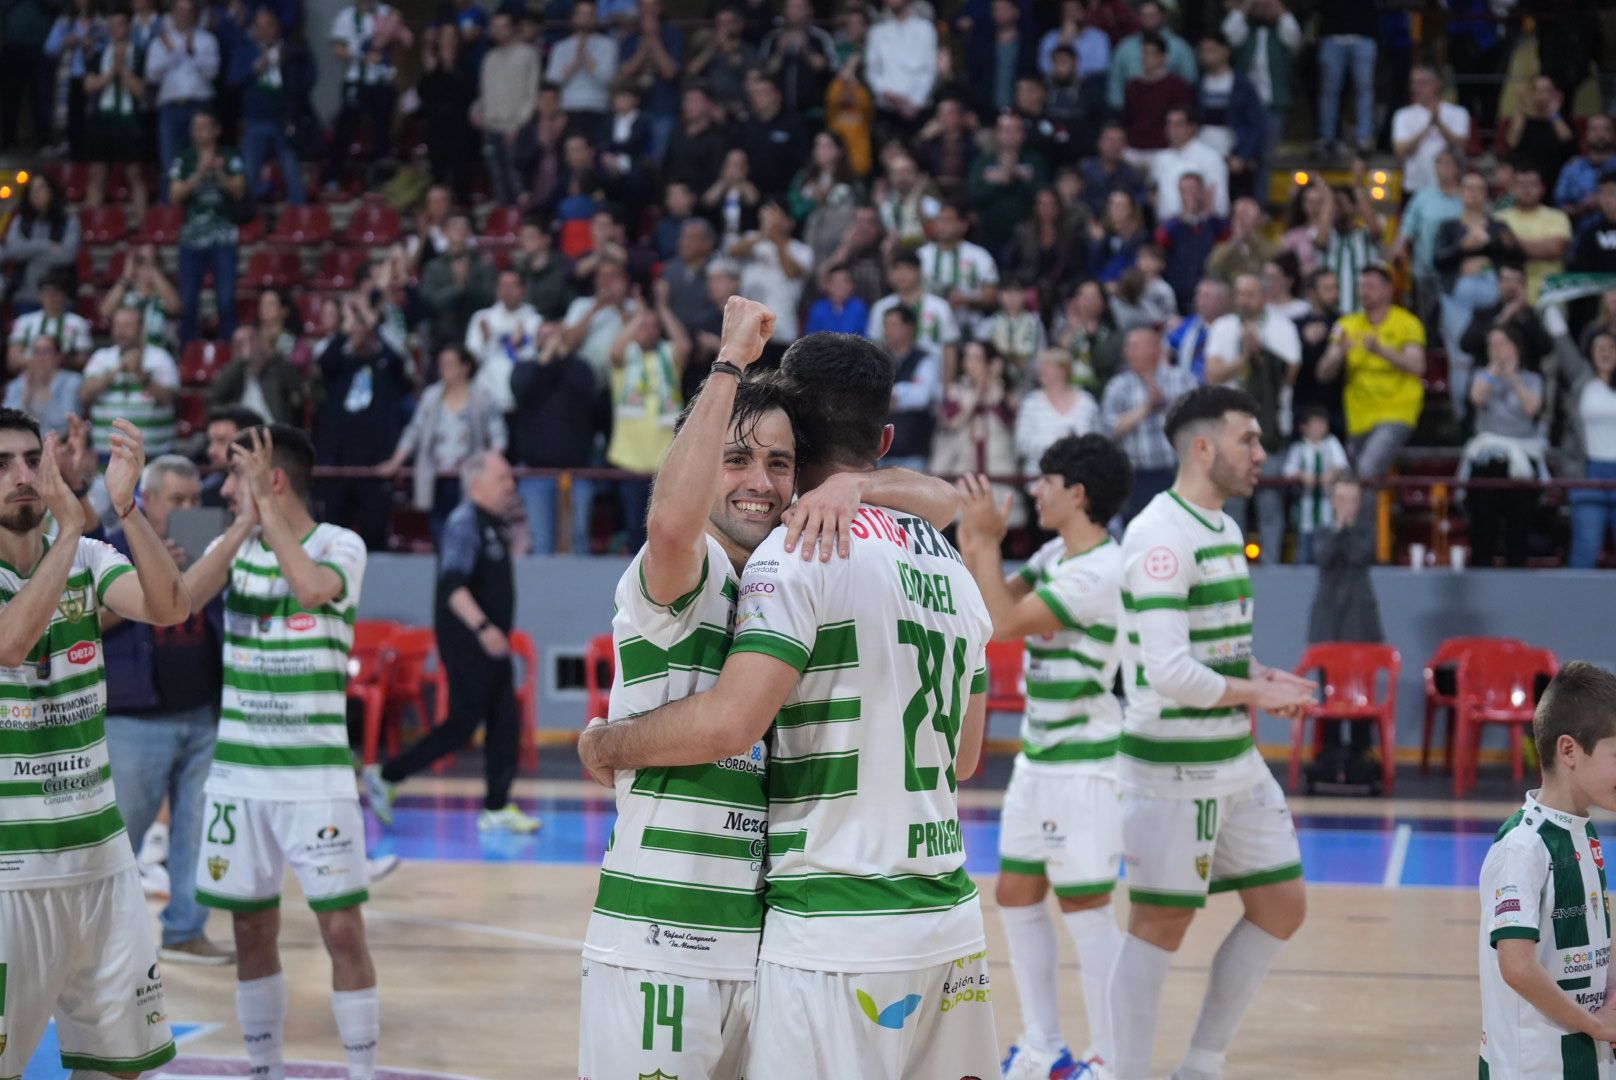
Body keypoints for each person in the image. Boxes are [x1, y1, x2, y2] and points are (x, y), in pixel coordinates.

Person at [577, 327, 999, 1080]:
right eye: (733, 459)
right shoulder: (952, 567)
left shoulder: (796, 555)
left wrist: (606, 745)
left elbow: (735, 721)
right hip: (923, 919)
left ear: (801, 455)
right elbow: (967, 758)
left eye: (777, 462)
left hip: (820, 927)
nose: (761, 482)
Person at [1109, 384, 1314, 1080]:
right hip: (1171, 767)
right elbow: (1167, 670)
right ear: (1203, 447)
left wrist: (1265, 676)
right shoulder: (1158, 534)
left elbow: (1213, 653)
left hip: (1232, 755)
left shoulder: (1224, 528)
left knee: (1282, 905)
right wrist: (1257, 692)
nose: (1260, 453)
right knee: (1161, 925)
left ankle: (1201, 1064)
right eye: (1247, 440)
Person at [0, 406, 193, 1079]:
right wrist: (73, 529)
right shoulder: (69, 548)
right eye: (3, 465)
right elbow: (11, 642)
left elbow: (170, 607)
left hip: (102, 860)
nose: (23, 476)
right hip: (10, 872)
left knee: (119, 1069)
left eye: (31, 458)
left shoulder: (84, 554)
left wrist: (126, 507)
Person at [183, 424, 379, 1080]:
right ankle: (262, 1069)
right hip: (240, 778)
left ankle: (361, 1071)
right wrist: (245, 527)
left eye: (236, 474)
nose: (224, 487)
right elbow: (182, 599)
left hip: (315, 781)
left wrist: (266, 517)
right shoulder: (231, 544)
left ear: (273, 479)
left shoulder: (339, 544)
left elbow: (312, 590)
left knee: (343, 932)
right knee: (249, 930)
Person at [957, 433, 1132, 1080]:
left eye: (1045, 480)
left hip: (1086, 764)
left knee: (1086, 905)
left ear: (1076, 492)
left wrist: (989, 543)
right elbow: (986, 601)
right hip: (1040, 757)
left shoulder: (1102, 570)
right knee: (1019, 893)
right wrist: (978, 544)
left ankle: (1115, 1061)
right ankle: (1042, 1046)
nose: (1035, 489)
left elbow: (1002, 624)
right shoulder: (1060, 552)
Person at [101, 453, 234, 965]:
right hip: (135, 717)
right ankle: (102, 944)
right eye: (176, 499)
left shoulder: (209, 552)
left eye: (196, 499)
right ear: (147, 500)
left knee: (197, 834)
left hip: (202, 712)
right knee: (120, 840)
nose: (188, 508)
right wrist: (153, 575)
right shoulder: (111, 550)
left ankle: (185, 930)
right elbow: (88, 621)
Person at [365, 450, 537, 832]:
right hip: (469, 642)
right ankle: (387, 775)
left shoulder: (495, 523)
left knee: (504, 722)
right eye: (503, 479)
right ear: (477, 483)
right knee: (462, 724)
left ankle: (496, 807)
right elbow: (452, 586)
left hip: (492, 643)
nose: (511, 485)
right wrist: (482, 628)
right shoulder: (464, 523)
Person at [1478, 661, 1616, 1079]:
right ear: (1569, 750)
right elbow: (1517, 967)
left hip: (1589, 1058)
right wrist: (1596, 1025)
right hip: (1536, 1067)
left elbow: (1599, 937)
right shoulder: (1524, 846)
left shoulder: (1583, 831)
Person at [1205, 272, 1300, 559]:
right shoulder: (1223, 327)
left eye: (1251, 293)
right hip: (1229, 431)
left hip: (1269, 430)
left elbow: (1290, 375)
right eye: (1240, 293)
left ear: (1265, 296)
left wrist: (1261, 351)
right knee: (1232, 503)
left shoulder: (1282, 327)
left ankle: (1271, 568)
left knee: (1270, 501)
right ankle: (1230, 565)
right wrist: (1245, 358)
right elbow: (1212, 374)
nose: (1244, 300)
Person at [1301, 475, 1383, 783]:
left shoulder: (1365, 532)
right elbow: (1322, 557)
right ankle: (1329, 752)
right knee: (1329, 694)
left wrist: (1347, 530)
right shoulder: (1323, 532)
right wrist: (1339, 529)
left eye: (1353, 500)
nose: (1348, 506)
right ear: (1333, 502)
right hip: (1328, 628)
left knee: (1361, 694)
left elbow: (1360, 555)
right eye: (1343, 499)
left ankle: (1362, 751)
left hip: (1360, 626)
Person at [315, 294, 412, 549]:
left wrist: (374, 322)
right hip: (339, 466)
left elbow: (400, 359)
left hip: (376, 467)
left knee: (375, 535)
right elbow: (324, 362)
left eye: (362, 327)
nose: (359, 331)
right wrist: (345, 329)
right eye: (354, 327)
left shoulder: (385, 366)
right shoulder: (341, 365)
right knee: (334, 539)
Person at [1316, 265, 1426, 480]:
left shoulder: (1407, 323)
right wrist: (1339, 355)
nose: (1364, 292)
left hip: (1396, 411)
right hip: (1357, 416)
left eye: (1371, 286)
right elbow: (1323, 373)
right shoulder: (1346, 325)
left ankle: (1364, 516)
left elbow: (1418, 366)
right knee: (1350, 478)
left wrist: (1381, 350)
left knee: (1367, 470)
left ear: (1387, 290)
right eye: (1362, 286)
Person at [1463, 326, 1545, 568]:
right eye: (1491, 345)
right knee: (1483, 526)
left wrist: (1512, 377)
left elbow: (1531, 408)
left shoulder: (1533, 378)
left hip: (1521, 462)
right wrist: (1493, 371)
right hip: (1489, 459)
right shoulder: (1481, 374)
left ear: (1515, 347)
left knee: (1518, 529)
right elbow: (1477, 398)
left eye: (1502, 344)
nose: (1496, 350)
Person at [1102, 326, 1199, 518]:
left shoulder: (1181, 379)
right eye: (1128, 347)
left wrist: (1166, 406)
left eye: (1135, 346)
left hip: (1177, 473)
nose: (1128, 352)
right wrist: (1146, 408)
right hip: (1135, 477)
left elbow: (1198, 422)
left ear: (1154, 349)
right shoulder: (1118, 385)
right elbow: (1109, 430)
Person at [169, 109, 245, 344]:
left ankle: (229, 348)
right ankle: (189, 351)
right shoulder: (185, 158)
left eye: (204, 126)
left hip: (224, 239)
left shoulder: (230, 156)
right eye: (195, 127)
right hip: (192, 239)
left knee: (225, 300)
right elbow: (175, 195)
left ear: (216, 130)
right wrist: (199, 173)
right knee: (189, 301)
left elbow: (239, 190)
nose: (199, 132)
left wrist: (218, 173)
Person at [229, 7, 311, 206]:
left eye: (269, 26)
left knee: (291, 166)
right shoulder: (245, 50)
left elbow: (307, 80)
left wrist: (285, 65)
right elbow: (232, 80)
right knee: (250, 167)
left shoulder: (292, 50)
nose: (264, 31)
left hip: (284, 119)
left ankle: (299, 209)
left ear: (278, 27)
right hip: (255, 118)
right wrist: (254, 68)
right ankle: (246, 212)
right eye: (260, 26)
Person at [326, 0, 411, 189]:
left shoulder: (388, 12)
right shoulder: (346, 16)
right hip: (356, 81)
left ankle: (381, 181)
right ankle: (334, 178)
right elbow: (338, 49)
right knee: (345, 131)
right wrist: (363, 56)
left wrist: (390, 42)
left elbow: (403, 43)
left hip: (383, 83)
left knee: (383, 135)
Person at [81, 307, 181, 460]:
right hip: (106, 454)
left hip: (153, 454)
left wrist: (140, 374)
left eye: (128, 325)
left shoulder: (160, 357)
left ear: (141, 328)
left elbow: (169, 399)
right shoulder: (101, 357)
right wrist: (116, 370)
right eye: (118, 325)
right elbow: (85, 395)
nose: (121, 331)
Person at [144, 0, 219, 199]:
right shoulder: (161, 41)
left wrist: (189, 52)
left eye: (189, 11)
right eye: (180, 10)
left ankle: (202, 205)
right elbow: (152, 75)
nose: (184, 15)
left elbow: (212, 72)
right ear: (173, 14)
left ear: (195, 14)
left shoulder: (207, 40)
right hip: (170, 108)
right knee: (171, 162)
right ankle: (169, 214)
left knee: (200, 159)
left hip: (200, 107)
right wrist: (173, 54)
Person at [84, 4, 151, 219]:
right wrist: (112, 71)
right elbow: (89, 85)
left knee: (134, 173)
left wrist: (122, 69)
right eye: (111, 25)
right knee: (97, 172)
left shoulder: (140, 54)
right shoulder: (100, 53)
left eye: (120, 24)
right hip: (103, 117)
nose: (115, 29)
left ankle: (143, 225)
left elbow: (141, 90)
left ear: (129, 26)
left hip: (130, 119)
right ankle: (93, 222)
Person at [472, 10, 538, 207]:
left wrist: (519, 125)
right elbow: (484, 93)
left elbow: (531, 93)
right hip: (491, 127)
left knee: (517, 180)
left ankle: (522, 226)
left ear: (513, 28)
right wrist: (476, 111)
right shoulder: (489, 58)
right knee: (498, 180)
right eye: (495, 27)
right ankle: (505, 221)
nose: (499, 31)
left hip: (516, 128)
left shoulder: (527, 54)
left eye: (503, 27)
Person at [464, 269, 543, 416]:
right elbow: (470, 362)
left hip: (523, 400)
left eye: (513, 285)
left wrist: (518, 346)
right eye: (503, 285)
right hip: (488, 398)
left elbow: (538, 362)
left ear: (523, 290)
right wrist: (487, 340)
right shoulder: (482, 318)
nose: (508, 291)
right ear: (497, 289)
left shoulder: (535, 321)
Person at [1569, 332, 1616, 569]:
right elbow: (1561, 342)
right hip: (1590, 473)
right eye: (1599, 347)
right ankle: (1573, 606)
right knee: (1585, 549)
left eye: (1610, 346)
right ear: (1590, 354)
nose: (1605, 352)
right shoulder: (1582, 384)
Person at [1495, 163, 1572, 304]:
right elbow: (1500, 252)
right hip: (1508, 297)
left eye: (1532, 184)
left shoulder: (1557, 216)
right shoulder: (1500, 218)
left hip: (1550, 296)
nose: (1526, 189)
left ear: (1542, 188)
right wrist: (1539, 246)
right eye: (1521, 184)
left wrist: (1514, 243)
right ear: (1512, 188)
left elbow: (1555, 249)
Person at [1014, 348, 1099, 474]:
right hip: (1038, 481)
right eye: (1041, 365)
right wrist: (1060, 444)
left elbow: (1097, 440)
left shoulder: (1087, 402)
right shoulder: (1030, 403)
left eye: (1047, 365)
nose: (1041, 370)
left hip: (1078, 479)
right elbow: (1022, 443)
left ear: (1063, 369)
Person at [2, 174, 80, 311]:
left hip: (60, 297)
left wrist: (27, 249)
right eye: (32, 189)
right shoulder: (20, 220)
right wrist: (48, 245)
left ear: (52, 191)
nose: (36, 193)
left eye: (41, 188)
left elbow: (67, 255)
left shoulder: (69, 221)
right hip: (24, 294)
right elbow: (13, 250)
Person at [1283, 407, 1350, 565]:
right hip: (1305, 509)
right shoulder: (1299, 447)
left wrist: (1332, 474)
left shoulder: (1331, 443)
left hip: (1327, 508)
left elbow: (1342, 465)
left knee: (1327, 552)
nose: (1320, 428)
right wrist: (1302, 475)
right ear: (1304, 428)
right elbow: (1288, 470)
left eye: (1323, 424)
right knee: (1304, 552)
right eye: (1315, 424)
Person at [1390, 67, 1470, 196]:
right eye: (1413, 83)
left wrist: (1439, 124)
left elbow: (1461, 145)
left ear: (1437, 84)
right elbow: (1400, 150)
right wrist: (1427, 127)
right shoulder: (1402, 115)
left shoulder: (1458, 112)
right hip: (1415, 186)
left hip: (1449, 189)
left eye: (1422, 83)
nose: (1417, 88)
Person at [207, 324, 305, 426]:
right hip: (241, 432)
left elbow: (297, 390)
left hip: (273, 430)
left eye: (250, 341)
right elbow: (214, 395)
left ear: (260, 342)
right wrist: (240, 362)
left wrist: (270, 357)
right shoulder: (234, 373)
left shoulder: (278, 368)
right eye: (238, 343)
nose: (244, 347)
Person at [864, 0, 937, 136]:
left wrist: (915, 102)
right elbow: (872, 71)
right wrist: (889, 94)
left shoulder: (925, 29)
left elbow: (929, 70)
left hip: (918, 109)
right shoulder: (877, 32)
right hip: (887, 108)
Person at [544, 0, 615, 133]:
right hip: (568, 107)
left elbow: (607, 79)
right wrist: (575, 62)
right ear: (573, 18)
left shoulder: (608, 45)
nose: (585, 19)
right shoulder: (561, 47)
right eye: (581, 14)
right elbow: (553, 81)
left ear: (596, 18)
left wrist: (586, 56)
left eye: (589, 14)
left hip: (597, 107)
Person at [1501, 76, 1576, 197]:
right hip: (1526, 178)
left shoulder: (1560, 119)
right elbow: (1512, 143)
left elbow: (1567, 141)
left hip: (1555, 177)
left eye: (1548, 90)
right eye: (1538, 90)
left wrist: (1553, 114)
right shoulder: (1522, 118)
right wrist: (1522, 106)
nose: (1543, 95)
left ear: (1555, 94)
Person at [6, 271, 93, 375]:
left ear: (65, 296)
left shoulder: (78, 323)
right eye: (47, 292)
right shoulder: (24, 321)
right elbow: (12, 361)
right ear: (40, 296)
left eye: (56, 292)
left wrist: (62, 361)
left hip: (64, 376)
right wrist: (43, 362)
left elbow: (83, 360)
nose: (51, 297)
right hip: (30, 376)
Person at [1151, 108, 1229, 222]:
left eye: (1178, 124)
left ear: (1193, 128)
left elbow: (1220, 204)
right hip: (1165, 229)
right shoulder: (1161, 158)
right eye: (1169, 124)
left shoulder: (1211, 158)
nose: (1172, 129)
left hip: (1198, 228)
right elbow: (1154, 193)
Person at [101, 244, 181, 352]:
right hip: (128, 353)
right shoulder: (126, 294)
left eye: (153, 261)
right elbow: (105, 311)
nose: (146, 267)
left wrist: (155, 272)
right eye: (140, 261)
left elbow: (175, 307)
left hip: (159, 352)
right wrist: (126, 276)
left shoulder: (163, 294)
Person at [4, 336, 83, 436]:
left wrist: (45, 394)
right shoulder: (18, 383)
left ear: (58, 356)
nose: (40, 357)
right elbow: (6, 421)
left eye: (46, 351)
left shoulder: (72, 381)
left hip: (59, 444)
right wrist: (26, 398)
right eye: (36, 351)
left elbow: (67, 424)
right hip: (24, 443)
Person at [1556, 114, 1616, 221]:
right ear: (1586, 134)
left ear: (1614, 134)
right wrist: (1582, 208)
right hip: (1581, 233)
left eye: (1606, 129)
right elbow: (1559, 209)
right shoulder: (1571, 169)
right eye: (1594, 129)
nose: (1600, 134)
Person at [201, 405, 262, 508]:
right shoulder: (206, 492)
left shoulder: (273, 491)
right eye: (210, 442)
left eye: (222, 441)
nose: (211, 451)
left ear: (252, 442)